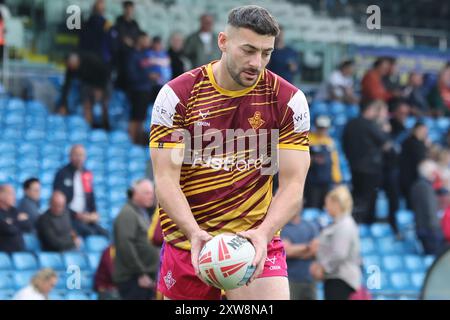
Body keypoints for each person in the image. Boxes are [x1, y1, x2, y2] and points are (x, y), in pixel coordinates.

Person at [150, 5, 310, 300]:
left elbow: (293, 185)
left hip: (254, 242)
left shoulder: (288, 100)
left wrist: (264, 233)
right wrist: (194, 233)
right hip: (190, 244)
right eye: (248, 50)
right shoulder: (177, 96)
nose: (256, 62)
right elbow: (165, 180)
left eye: (266, 53)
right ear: (223, 41)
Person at [342, 100, 390, 224]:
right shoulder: (370, 125)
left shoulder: (350, 123)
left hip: (354, 167)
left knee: (357, 197)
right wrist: (385, 129)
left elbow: (344, 143)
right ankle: (365, 223)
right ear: (369, 110)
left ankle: (355, 222)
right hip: (370, 169)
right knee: (368, 198)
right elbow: (385, 142)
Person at [310, 186, 362, 300]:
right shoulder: (339, 223)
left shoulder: (345, 225)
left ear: (336, 203)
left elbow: (339, 253)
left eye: (328, 204)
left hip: (340, 278)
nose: (326, 207)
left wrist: (322, 268)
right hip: (335, 277)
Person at [113, 179, 159, 300]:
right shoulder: (127, 214)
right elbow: (125, 246)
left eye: (152, 193)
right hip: (135, 279)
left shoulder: (140, 212)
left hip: (143, 278)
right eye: (147, 193)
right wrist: (140, 273)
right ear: (134, 193)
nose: (151, 196)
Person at [53, 144, 108, 238]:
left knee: (106, 234)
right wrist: (77, 215)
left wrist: (94, 213)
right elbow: (58, 200)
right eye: (76, 155)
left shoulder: (86, 174)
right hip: (69, 218)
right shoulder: (62, 173)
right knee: (89, 233)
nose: (79, 158)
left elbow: (91, 197)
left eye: (81, 155)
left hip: (85, 217)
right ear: (70, 156)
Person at [58, 52, 111, 129]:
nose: (71, 68)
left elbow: (105, 72)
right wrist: (63, 104)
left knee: (103, 106)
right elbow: (66, 86)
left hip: (102, 82)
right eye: (69, 66)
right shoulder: (70, 68)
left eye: (72, 65)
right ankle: (88, 128)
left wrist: (100, 89)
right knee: (86, 105)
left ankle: (105, 128)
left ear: (77, 61)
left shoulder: (91, 60)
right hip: (87, 84)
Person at [305, 115, 342, 209]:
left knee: (326, 206)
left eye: (324, 128)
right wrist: (313, 160)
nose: (322, 130)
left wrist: (337, 179)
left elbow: (334, 162)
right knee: (312, 206)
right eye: (320, 128)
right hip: (312, 181)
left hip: (326, 180)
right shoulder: (308, 140)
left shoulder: (330, 142)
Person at [410, 160, 446, 255]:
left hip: (424, 227)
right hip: (430, 229)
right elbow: (429, 209)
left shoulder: (418, 185)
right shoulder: (425, 187)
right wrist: (436, 228)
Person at [281, 211, 320, 300]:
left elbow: (316, 249)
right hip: (291, 280)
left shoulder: (310, 226)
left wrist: (295, 250)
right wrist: (308, 246)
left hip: (310, 280)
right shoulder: (282, 227)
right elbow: (286, 251)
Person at [126, 31, 153, 145]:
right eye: (145, 40)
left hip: (145, 89)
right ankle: (132, 143)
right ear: (140, 40)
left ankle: (138, 142)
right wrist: (147, 76)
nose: (148, 42)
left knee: (141, 118)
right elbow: (131, 75)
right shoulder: (133, 55)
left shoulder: (144, 54)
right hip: (137, 90)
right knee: (135, 118)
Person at [399, 122, 429, 209]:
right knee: (412, 204)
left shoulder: (414, 142)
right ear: (416, 130)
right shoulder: (413, 143)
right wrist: (426, 146)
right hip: (410, 178)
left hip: (413, 178)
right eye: (422, 131)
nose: (424, 133)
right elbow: (422, 161)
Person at [114, 0, 141, 90]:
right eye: (127, 9)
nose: (129, 11)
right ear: (124, 9)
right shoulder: (119, 21)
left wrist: (132, 43)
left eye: (131, 9)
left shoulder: (135, 24)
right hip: (120, 54)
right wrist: (129, 42)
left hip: (132, 55)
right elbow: (122, 38)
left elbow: (137, 40)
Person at [0, 184, 33, 252]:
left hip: (20, 252)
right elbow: (8, 229)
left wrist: (12, 221)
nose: (14, 197)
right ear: (1, 196)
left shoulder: (14, 210)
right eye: (11, 194)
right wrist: (18, 221)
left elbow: (28, 226)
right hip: (5, 254)